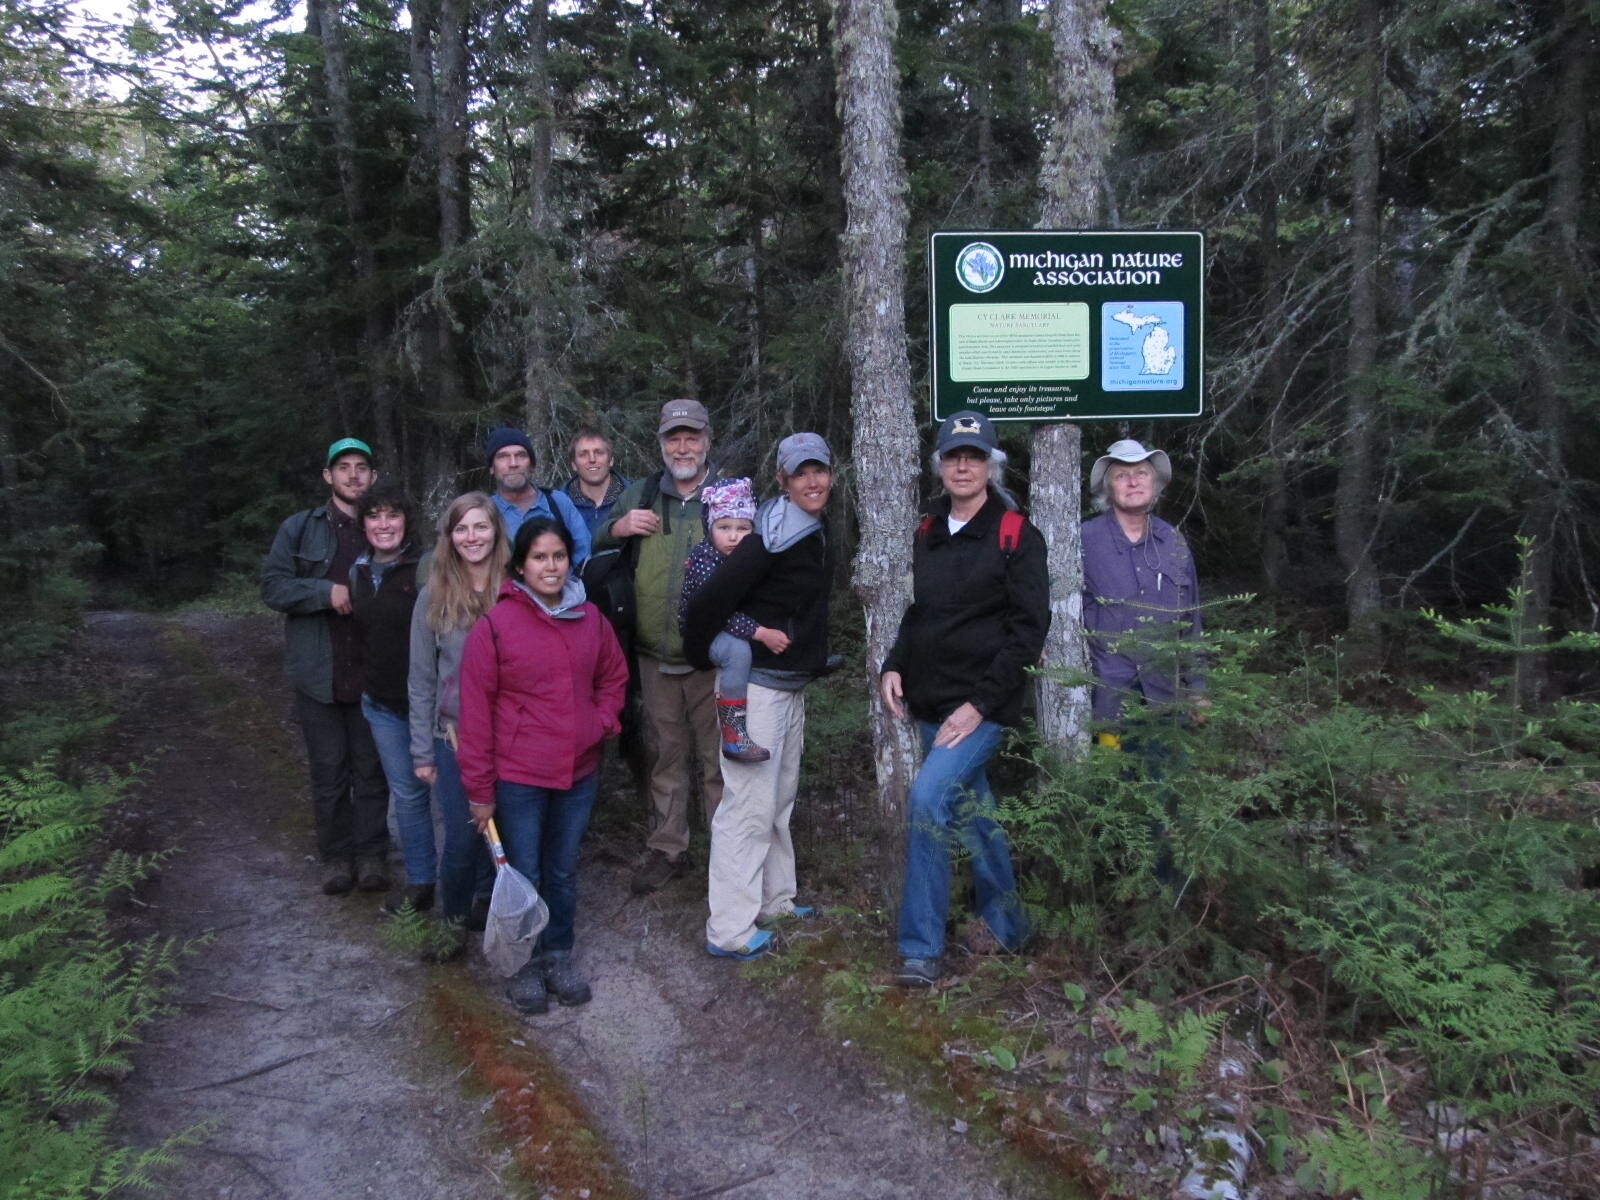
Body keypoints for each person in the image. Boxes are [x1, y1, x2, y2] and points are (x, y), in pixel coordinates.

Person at [879, 412, 1047, 988]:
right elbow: (919, 612)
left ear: (991, 465)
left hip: (979, 710)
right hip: (930, 701)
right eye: (953, 456)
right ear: (941, 465)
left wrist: (979, 705)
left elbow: (1029, 634)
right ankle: (1011, 924)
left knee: (928, 800)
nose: (963, 465)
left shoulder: (1016, 535)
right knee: (977, 814)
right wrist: (894, 663)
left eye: (974, 456)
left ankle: (919, 947)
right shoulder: (929, 530)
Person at [457, 517, 629, 1013]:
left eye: (557, 557)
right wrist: (479, 789)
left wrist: (599, 723)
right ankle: (524, 966)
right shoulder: (495, 627)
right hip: (519, 776)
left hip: (579, 770)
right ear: (520, 566)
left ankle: (558, 954)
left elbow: (613, 678)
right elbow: (475, 713)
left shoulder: (590, 619)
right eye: (539, 558)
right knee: (524, 870)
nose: (550, 567)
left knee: (562, 870)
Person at [684, 433, 836, 960]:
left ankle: (775, 899)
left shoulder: (810, 526)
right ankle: (729, 929)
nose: (812, 482)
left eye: (819, 471)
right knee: (746, 806)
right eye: (800, 473)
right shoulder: (767, 535)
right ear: (782, 480)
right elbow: (710, 599)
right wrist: (705, 651)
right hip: (760, 690)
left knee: (779, 799)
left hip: (790, 684)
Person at [595, 399, 725, 895]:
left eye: (692, 436)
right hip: (653, 656)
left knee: (719, 760)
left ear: (707, 439)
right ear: (662, 443)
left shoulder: (726, 495)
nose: (683, 446)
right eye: (674, 437)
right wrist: (618, 527)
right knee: (665, 756)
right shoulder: (641, 493)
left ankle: (725, 853)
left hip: (714, 659)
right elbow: (588, 541)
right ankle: (668, 848)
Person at [261, 437, 392, 896]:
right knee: (329, 771)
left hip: (373, 673)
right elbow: (273, 588)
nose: (353, 474)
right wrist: (325, 593)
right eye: (344, 468)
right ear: (328, 476)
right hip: (319, 673)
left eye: (361, 467)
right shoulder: (300, 529)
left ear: (372, 476)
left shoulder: (385, 527)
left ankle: (374, 854)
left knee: (371, 771)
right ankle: (337, 857)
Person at [407, 493, 504, 954]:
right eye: (462, 529)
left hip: (513, 737)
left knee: (507, 836)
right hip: (456, 737)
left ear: (496, 531)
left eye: (480, 527)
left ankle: (494, 909)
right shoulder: (434, 595)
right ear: (450, 537)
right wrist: (423, 751)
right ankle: (451, 925)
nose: (472, 537)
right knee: (463, 840)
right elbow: (422, 678)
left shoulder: (515, 590)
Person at [1081, 438, 1205, 731]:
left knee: (1161, 775)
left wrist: (1197, 688)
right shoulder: (1083, 539)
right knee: (1109, 775)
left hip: (1165, 697)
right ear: (1108, 489)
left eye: (1142, 473)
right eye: (1121, 475)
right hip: (1105, 698)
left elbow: (1191, 619)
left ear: (1155, 484)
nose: (1133, 482)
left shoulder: (1173, 540)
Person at [348, 482, 432, 912]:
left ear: (406, 521)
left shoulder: (425, 569)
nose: (385, 525)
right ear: (363, 524)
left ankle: (470, 884)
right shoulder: (358, 572)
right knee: (408, 797)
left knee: (453, 798)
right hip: (382, 706)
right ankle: (421, 881)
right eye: (375, 516)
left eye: (393, 515)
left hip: (432, 708)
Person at [677, 477, 791, 763]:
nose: (733, 536)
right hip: (705, 631)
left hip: (734, 622)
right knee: (736, 651)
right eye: (724, 527)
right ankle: (733, 732)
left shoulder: (749, 558)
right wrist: (760, 632)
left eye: (743, 528)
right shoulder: (705, 559)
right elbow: (717, 611)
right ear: (709, 527)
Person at [484, 427, 592, 566]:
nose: (513, 463)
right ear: (492, 468)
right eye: (503, 457)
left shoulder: (557, 503)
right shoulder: (486, 512)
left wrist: (562, 582)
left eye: (521, 455)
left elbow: (583, 554)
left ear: (532, 464)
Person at [560, 427, 631, 536]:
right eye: (583, 454)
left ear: (611, 460)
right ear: (573, 464)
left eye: (599, 452)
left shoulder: (634, 499)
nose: (592, 459)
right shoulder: (558, 506)